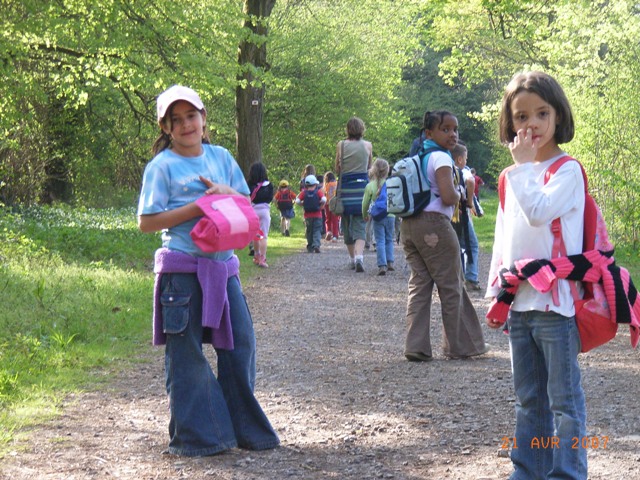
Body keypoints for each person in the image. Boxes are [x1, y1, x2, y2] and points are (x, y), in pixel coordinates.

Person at [137, 85, 279, 456]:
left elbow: (246, 202)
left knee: (241, 345)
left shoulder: (221, 157)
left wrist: (224, 192)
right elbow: (147, 222)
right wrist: (199, 206)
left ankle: (246, 431)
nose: (185, 124)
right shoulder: (162, 166)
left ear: (203, 118)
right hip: (182, 272)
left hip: (224, 269)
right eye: (176, 119)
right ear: (165, 127)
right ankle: (201, 436)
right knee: (186, 355)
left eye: (191, 116)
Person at [486, 71, 587, 479]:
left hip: (555, 304)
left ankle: (568, 472)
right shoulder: (513, 176)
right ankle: (528, 470)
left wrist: (524, 168)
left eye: (541, 113)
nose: (531, 124)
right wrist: (497, 289)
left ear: (558, 116)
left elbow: (540, 211)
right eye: (521, 116)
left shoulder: (567, 171)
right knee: (528, 399)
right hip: (520, 304)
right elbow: (504, 236)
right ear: (509, 124)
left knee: (564, 401)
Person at [401, 110, 488, 362]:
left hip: (409, 225)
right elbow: (449, 197)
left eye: (455, 129)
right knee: (451, 284)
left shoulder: (417, 157)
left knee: (419, 284)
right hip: (435, 226)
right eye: (445, 129)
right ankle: (460, 346)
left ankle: (415, 345)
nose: (452, 134)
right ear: (429, 133)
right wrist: (462, 194)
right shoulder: (440, 157)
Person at [335, 116, 372, 272]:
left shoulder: (341, 145)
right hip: (362, 189)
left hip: (345, 190)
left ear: (347, 129)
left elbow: (338, 168)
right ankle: (359, 257)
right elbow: (369, 168)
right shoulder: (368, 145)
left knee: (347, 224)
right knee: (361, 225)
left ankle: (352, 258)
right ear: (362, 129)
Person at [451, 143, 481, 291]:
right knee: (472, 245)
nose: (467, 162)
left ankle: (453, 279)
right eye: (466, 158)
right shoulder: (463, 171)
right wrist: (469, 202)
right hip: (461, 214)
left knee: (454, 246)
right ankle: (471, 278)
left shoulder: (445, 170)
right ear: (460, 159)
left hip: (447, 215)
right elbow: (470, 181)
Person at [362, 158, 395, 275]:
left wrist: (365, 214)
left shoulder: (370, 186)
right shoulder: (391, 184)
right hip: (391, 215)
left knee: (380, 240)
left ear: (373, 171)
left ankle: (382, 265)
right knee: (389, 239)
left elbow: (365, 203)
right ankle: (390, 262)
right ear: (387, 171)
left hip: (377, 216)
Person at [247, 162, 274, 268]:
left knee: (256, 235)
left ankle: (256, 255)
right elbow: (270, 198)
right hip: (265, 212)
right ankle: (263, 258)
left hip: (253, 212)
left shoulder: (249, 185)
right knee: (264, 236)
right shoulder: (269, 185)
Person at [296, 174, 326, 253]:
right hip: (317, 215)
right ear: (315, 184)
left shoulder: (304, 193)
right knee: (317, 230)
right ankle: (316, 245)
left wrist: (303, 204)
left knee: (309, 231)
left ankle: (310, 246)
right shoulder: (318, 192)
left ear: (306, 185)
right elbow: (324, 199)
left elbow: (297, 201)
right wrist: (321, 206)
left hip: (307, 216)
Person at [323, 171, 340, 241]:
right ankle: (335, 235)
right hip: (335, 203)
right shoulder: (337, 184)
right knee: (335, 219)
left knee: (328, 219)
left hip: (327, 203)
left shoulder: (326, 185)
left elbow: (324, 194)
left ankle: (328, 231)